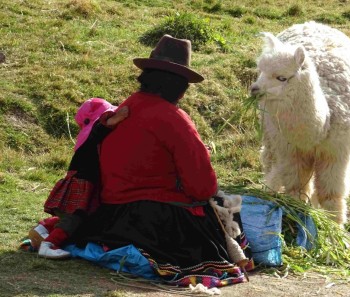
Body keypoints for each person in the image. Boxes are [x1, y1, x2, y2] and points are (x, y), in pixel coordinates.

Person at [71, 35, 253, 287]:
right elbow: (202, 187)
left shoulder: (124, 108)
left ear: (146, 76)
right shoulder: (175, 119)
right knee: (222, 204)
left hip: (110, 217)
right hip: (155, 224)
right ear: (180, 86)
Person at [36, 98, 129, 259]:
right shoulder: (96, 132)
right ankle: (48, 244)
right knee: (74, 218)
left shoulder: (91, 137)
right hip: (82, 182)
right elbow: (101, 128)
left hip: (85, 182)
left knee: (80, 220)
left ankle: (44, 228)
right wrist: (116, 118)